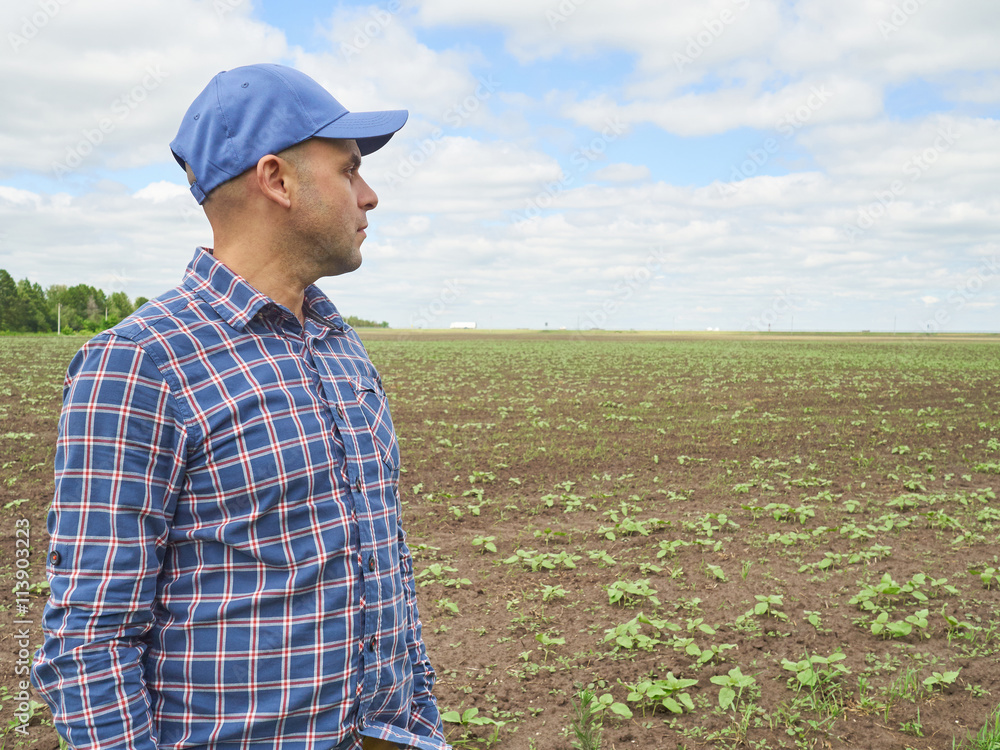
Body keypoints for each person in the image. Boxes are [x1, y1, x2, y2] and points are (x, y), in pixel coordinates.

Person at [32, 63, 449, 750]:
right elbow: (90, 643)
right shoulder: (142, 363)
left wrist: (418, 721)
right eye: (349, 170)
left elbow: (385, 571)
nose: (369, 195)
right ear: (277, 180)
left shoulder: (341, 345)